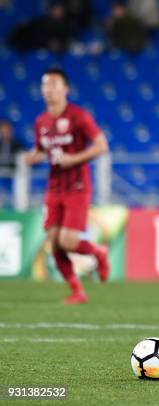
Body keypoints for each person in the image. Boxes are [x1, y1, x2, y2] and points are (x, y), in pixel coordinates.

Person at [24, 68, 110, 304]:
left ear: (65, 89)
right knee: (54, 242)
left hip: (77, 186)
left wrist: (74, 159)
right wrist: (32, 157)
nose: (49, 89)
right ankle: (77, 291)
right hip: (53, 188)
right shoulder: (41, 121)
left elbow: (101, 145)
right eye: (45, 85)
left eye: (54, 84)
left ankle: (99, 252)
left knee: (68, 242)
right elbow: (42, 150)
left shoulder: (78, 116)